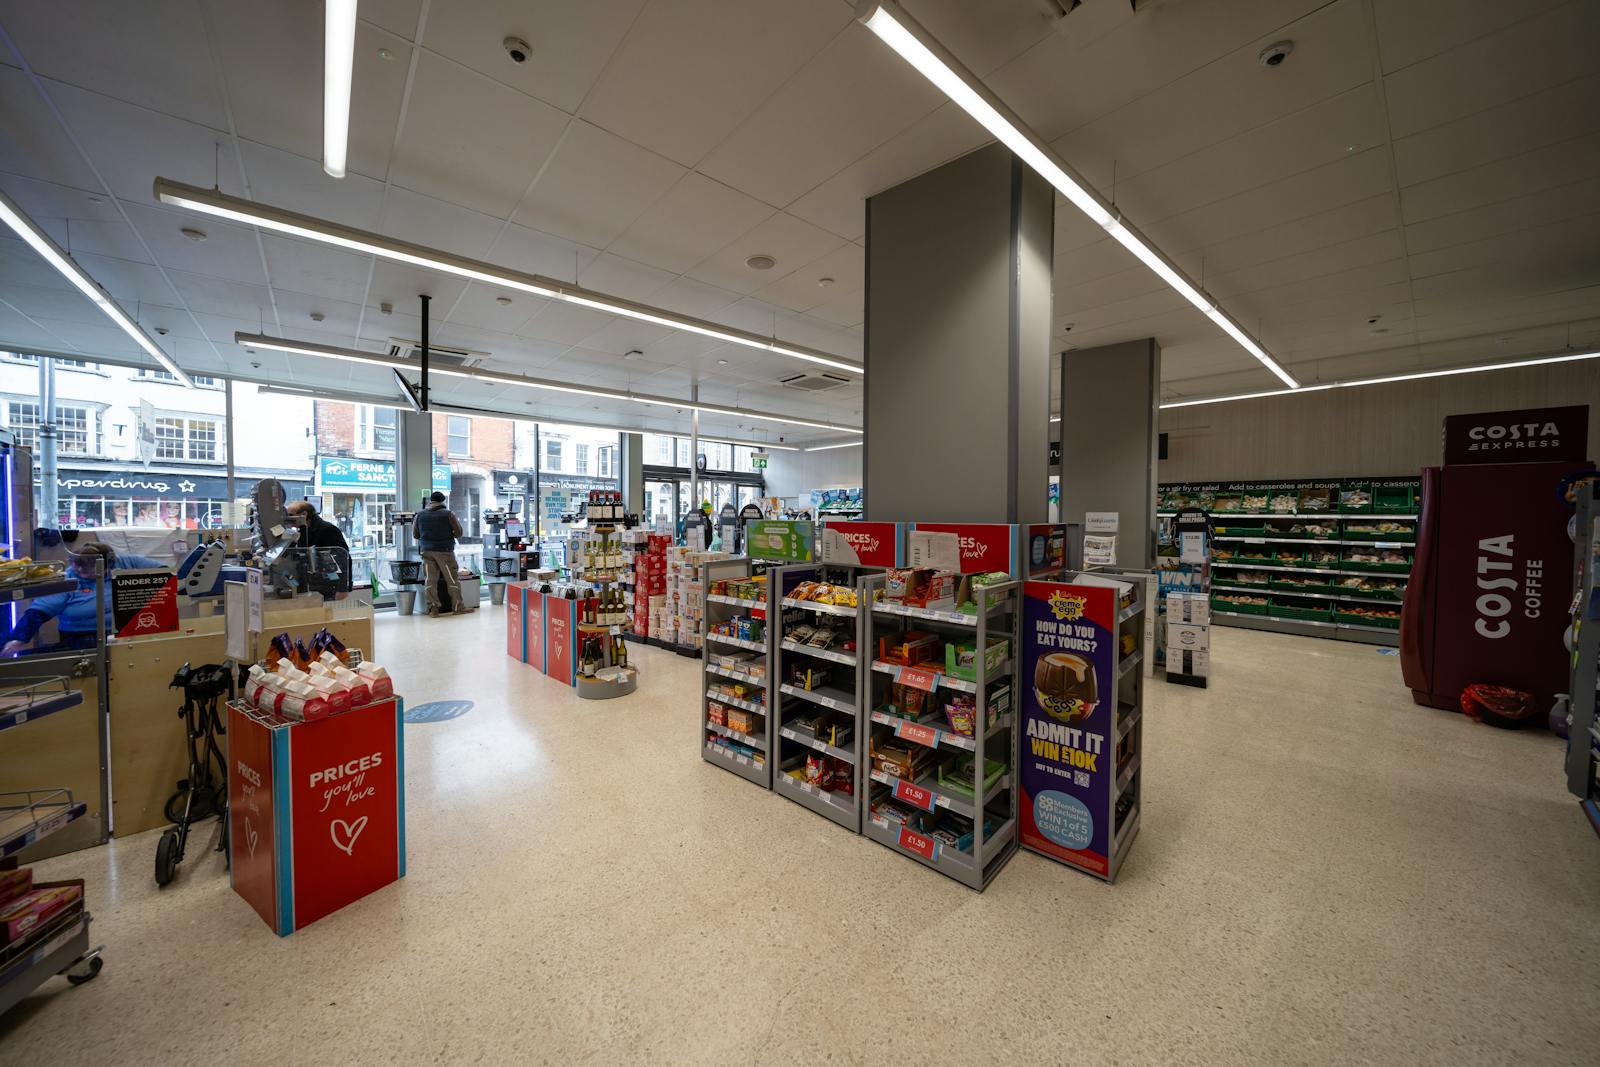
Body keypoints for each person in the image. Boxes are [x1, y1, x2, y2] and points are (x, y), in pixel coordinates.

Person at [1, 542, 168, 654]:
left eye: (87, 566)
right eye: (76, 564)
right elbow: (40, 610)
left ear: (108, 564)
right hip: (81, 638)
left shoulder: (126, 563)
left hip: (129, 634)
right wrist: (18, 638)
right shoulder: (69, 578)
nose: (79, 570)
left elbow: (166, 573)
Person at [412, 491, 469, 616]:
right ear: (443, 501)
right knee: (452, 579)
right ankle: (458, 607)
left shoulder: (419, 515)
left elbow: (415, 535)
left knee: (430, 580)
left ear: (430, 501)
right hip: (445, 552)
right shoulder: (448, 514)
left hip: (427, 551)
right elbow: (459, 533)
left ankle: (433, 608)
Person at [287, 500, 352, 592]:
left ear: (304, 514)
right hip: (313, 583)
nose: (288, 518)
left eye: (291, 515)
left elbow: (344, 557)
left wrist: (343, 588)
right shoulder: (303, 531)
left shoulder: (327, 529)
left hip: (328, 585)